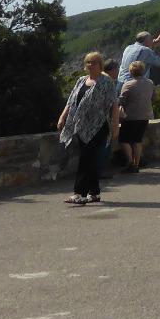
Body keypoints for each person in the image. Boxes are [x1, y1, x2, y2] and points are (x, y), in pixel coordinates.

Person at [58, 52, 116, 206]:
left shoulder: (106, 82)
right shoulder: (81, 81)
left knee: (86, 159)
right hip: (81, 126)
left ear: (100, 64)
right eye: (88, 62)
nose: (91, 65)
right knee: (89, 159)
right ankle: (95, 193)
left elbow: (114, 105)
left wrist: (115, 127)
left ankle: (80, 193)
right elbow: (71, 101)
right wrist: (62, 117)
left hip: (98, 126)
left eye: (94, 62)